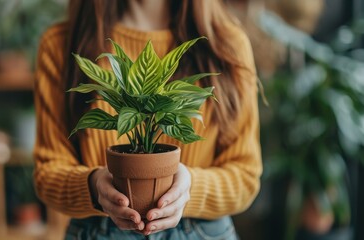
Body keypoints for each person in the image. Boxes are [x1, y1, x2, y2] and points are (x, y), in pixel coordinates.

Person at [34, 0, 262, 239]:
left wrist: (190, 189)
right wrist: (94, 186)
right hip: (99, 230)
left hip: (200, 230)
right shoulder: (61, 44)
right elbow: (48, 173)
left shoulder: (226, 44)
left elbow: (245, 176)